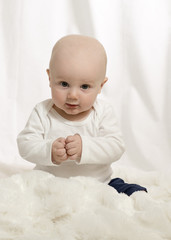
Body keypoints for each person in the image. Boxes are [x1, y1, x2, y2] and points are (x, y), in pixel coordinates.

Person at [17, 35, 147, 196]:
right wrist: (49, 150)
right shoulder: (43, 111)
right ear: (50, 78)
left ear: (101, 86)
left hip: (99, 183)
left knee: (131, 192)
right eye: (64, 84)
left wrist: (84, 147)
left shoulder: (103, 112)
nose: (72, 95)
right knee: (24, 192)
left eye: (84, 86)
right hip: (50, 184)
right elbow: (25, 144)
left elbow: (116, 147)